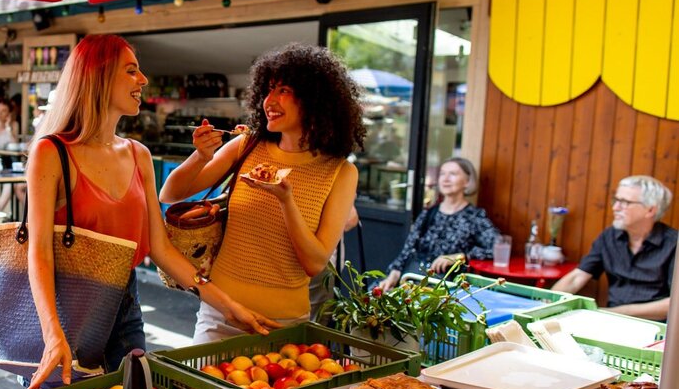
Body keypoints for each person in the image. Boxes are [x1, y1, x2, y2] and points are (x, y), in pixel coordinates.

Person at [24, 34, 280, 389]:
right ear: (97, 77)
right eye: (131, 71)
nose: (143, 80)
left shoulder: (137, 154)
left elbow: (161, 250)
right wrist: (52, 333)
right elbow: (38, 252)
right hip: (66, 309)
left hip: (124, 305)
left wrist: (228, 305)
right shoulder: (51, 152)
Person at [160, 44, 364, 341]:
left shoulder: (341, 172)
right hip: (220, 314)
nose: (269, 100)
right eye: (267, 90)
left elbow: (314, 263)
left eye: (283, 90)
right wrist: (200, 157)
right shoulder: (246, 146)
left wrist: (286, 200)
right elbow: (170, 193)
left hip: (283, 325)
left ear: (315, 98)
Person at [552, 175, 676, 320]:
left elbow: (673, 304)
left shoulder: (674, 244)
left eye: (625, 203)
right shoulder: (609, 236)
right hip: (610, 321)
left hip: (656, 330)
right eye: (616, 200)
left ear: (650, 210)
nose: (615, 207)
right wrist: (547, 305)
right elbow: (577, 277)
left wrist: (610, 313)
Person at [378, 158, 500, 292]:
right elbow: (408, 250)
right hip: (411, 278)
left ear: (467, 181)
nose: (446, 179)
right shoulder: (429, 213)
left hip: (444, 288)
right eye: (442, 174)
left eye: (453, 174)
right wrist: (394, 273)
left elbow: (498, 249)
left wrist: (460, 257)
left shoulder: (474, 217)